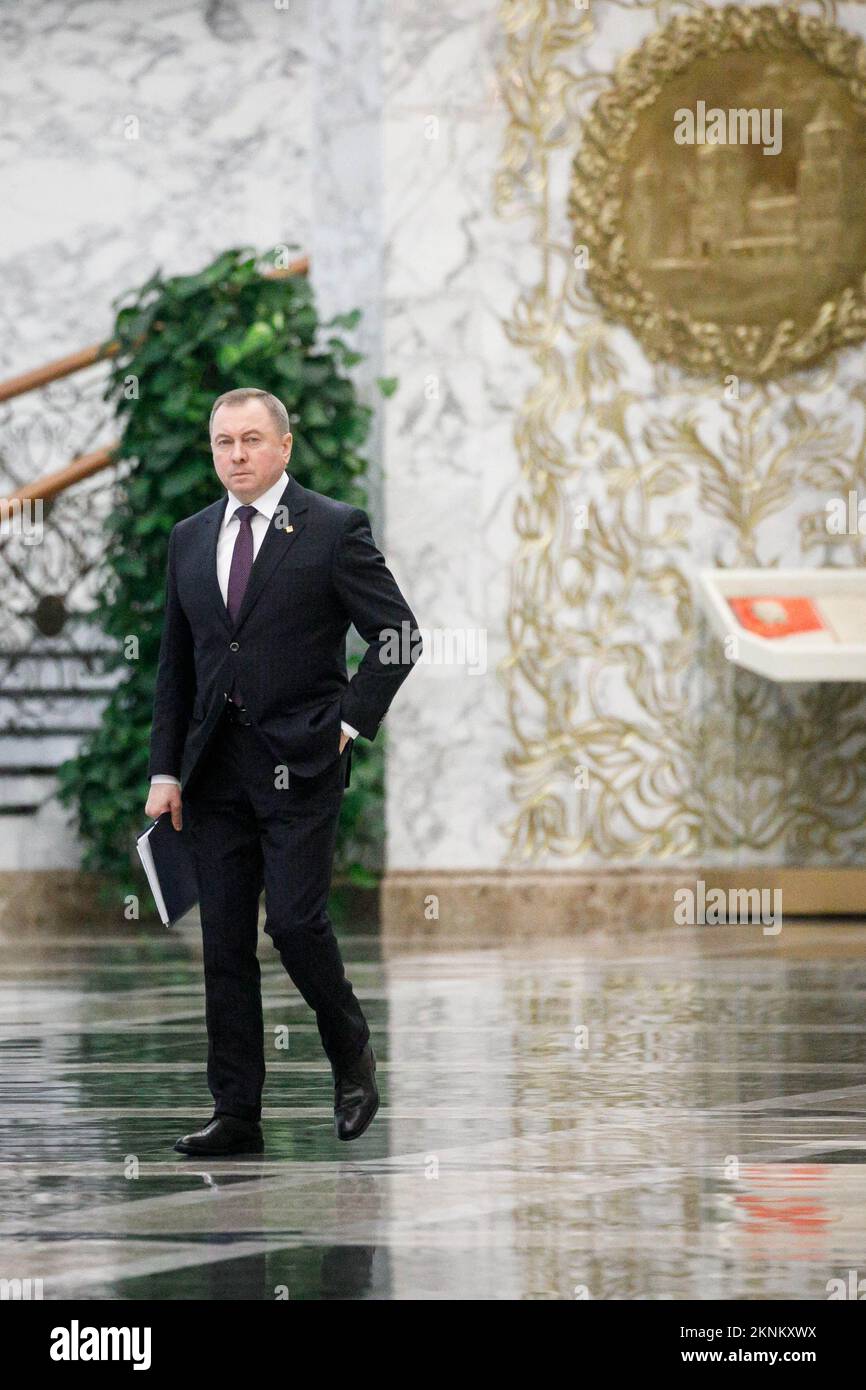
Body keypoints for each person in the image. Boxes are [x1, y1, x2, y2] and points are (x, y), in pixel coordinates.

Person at [144, 387, 421, 1155]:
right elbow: (177, 667)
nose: (237, 455)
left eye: (252, 440)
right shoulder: (189, 538)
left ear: (285, 446)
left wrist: (347, 724)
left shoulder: (332, 529)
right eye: (224, 442)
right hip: (213, 774)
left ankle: (350, 1049)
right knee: (224, 944)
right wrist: (164, 770)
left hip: (301, 763)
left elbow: (398, 636)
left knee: (295, 924)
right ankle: (236, 1115)